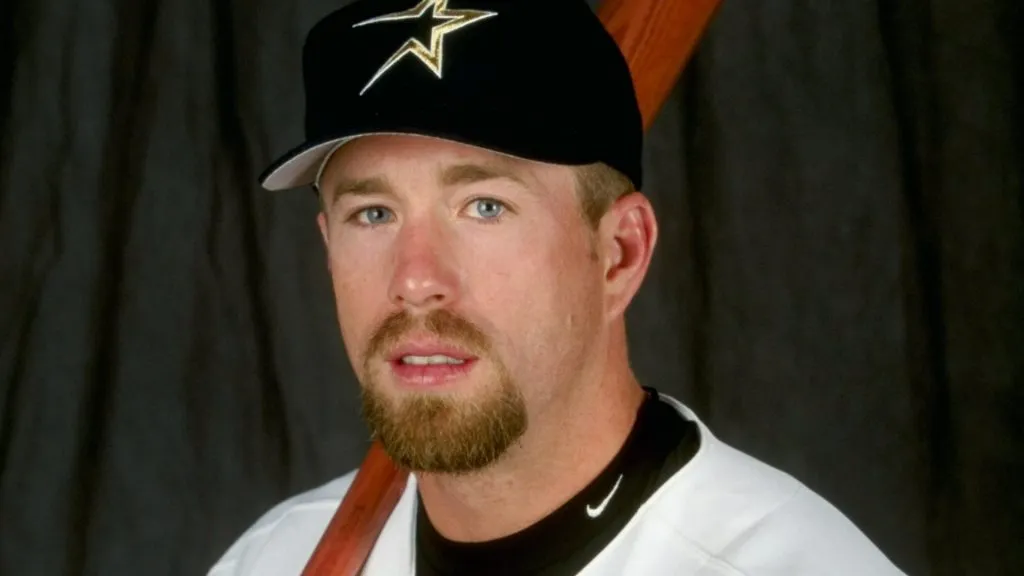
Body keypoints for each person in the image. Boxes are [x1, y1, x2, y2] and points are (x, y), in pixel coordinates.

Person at [208, 0, 906, 574]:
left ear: (619, 255)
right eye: (374, 213)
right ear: (328, 247)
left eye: (485, 206)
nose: (416, 279)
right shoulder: (272, 558)